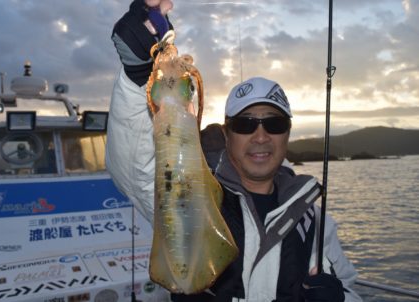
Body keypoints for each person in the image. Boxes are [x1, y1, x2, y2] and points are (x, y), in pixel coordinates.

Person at [106, 2, 362, 302]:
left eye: (274, 123)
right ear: (226, 134)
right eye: (245, 124)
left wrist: (341, 299)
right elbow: (133, 170)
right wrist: (138, 75)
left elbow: (349, 288)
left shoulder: (315, 221)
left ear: (288, 134)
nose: (261, 136)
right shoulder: (193, 195)